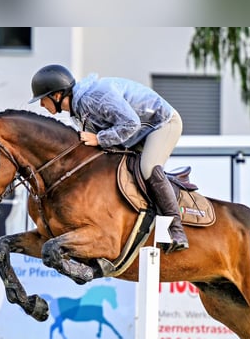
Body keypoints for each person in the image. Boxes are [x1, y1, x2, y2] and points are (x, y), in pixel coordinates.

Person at [29, 64, 189, 253]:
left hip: (161, 123)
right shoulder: (77, 110)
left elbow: (131, 123)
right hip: (137, 133)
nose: (41, 105)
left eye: (42, 99)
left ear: (56, 95)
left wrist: (99, 139)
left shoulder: (94, 97)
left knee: (147, 168)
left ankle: (176, 229)